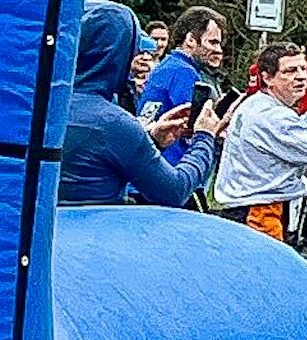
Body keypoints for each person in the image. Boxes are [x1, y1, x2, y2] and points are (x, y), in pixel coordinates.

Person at [60, 0, 220, 208]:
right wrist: (205, 138)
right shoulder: (113, 123)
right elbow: (174, 191)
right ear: (119, 55)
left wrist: (151, 140)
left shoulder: (43, 108)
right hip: (96, 233)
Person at [212, 42, 307, 244]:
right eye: (290, 71)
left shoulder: (256, 103)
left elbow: (288, 138)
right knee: (267, 273)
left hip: (252, 208)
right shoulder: (273, 116)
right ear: (267, 78)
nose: (302, 76)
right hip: (261, 213)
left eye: (304, 69)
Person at [138, 6, 227, 168]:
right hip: (169, 167)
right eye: (213, 42)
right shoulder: (184, 72)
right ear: (191, 39)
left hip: (146, 165)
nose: (218, 50)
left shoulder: (168, 65)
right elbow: (196, 126)